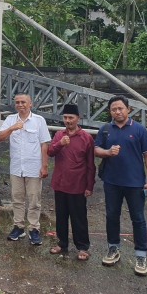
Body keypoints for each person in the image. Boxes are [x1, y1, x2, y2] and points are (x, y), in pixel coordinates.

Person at [95, 95, 147, 276]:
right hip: (112, 182)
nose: (117, 112)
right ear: (110, 112)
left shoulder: (139, 130)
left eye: (120, 108)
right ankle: (113, 248)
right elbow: (96, 149)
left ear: (128, 109)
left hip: (135, 183)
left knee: (138, 219)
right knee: (112, 216)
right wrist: (107, 152)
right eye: (114, 109)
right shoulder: (106, 130)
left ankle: (141, 255)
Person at [0, 93, 51, 245]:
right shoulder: (10, 119)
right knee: (17, 199)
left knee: (34, 200)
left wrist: (44, 166)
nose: (20, 105)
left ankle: (34, 229)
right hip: (16, 168)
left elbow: (44, 144)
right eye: (17, 102)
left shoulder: (39, 121)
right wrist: (13, 128)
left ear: (30, 104)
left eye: (23, 102)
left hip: (34, 167)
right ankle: (19, 227)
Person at [47, 104, 95, 260]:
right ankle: (62, 243)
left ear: (78, 119)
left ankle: (82, 247)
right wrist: (60, 144)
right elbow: (50, 152)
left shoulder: (86, 138)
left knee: (79, 217)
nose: (68, 121)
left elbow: (90, 164)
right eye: (65, 118)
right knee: (61, 216)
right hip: (60, 183)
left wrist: (89, 185)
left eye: (71, 118)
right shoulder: (59, 135)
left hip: (77, 184)